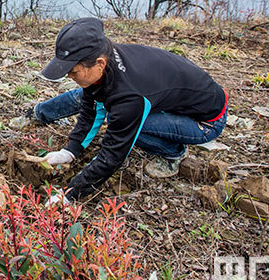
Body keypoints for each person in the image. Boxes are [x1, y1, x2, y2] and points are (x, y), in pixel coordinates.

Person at [24, 17, 228, 203]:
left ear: (99, 63)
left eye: (73, 71)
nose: (70, 76)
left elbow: (112, 155)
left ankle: (174, 153)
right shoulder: (103, 57)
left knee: (129, 124)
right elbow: (91, 107)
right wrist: (71, 150)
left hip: (205, 122)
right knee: (89, 97)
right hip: (167, 98)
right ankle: (39, 113)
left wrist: (70, 194)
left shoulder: (130, 97)